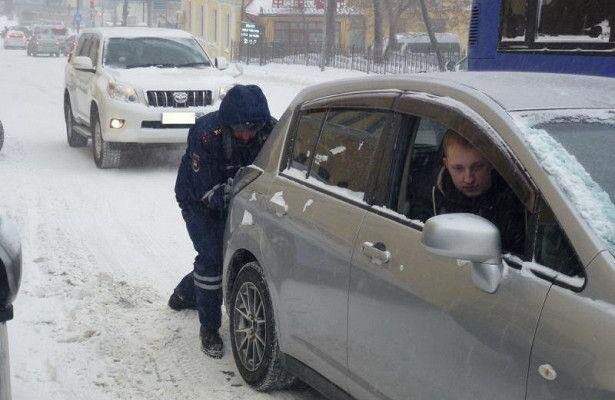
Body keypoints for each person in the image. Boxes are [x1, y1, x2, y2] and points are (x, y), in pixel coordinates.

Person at [169, 84, 276, 358]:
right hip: (198, 200)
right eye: (241, 128)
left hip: (236, 196)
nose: (247, 134)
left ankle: (184, 293)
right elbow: (205, 189)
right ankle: (209, 328)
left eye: (253, 128)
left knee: (237, 253)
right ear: (227, 123)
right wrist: (237, 189)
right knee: (213, 257)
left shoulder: (268, 130)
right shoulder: (205, 134)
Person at [432, 129, 525, 254]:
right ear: (446, 164)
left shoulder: (518, 199)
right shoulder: (431, 196)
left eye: (477, 167)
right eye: (458, 168)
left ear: (492, 162)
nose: (469, 179)